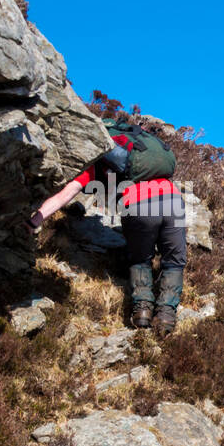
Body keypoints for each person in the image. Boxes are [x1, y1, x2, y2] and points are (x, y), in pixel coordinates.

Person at [27, 123, 187, 333]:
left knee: (141, 259)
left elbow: (66, 194)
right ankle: (166, 318)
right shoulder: (144, 153)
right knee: (174, 261)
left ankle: (142, 313)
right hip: (173, 200)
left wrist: (35, 220)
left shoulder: (97, 165)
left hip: (138, 204)